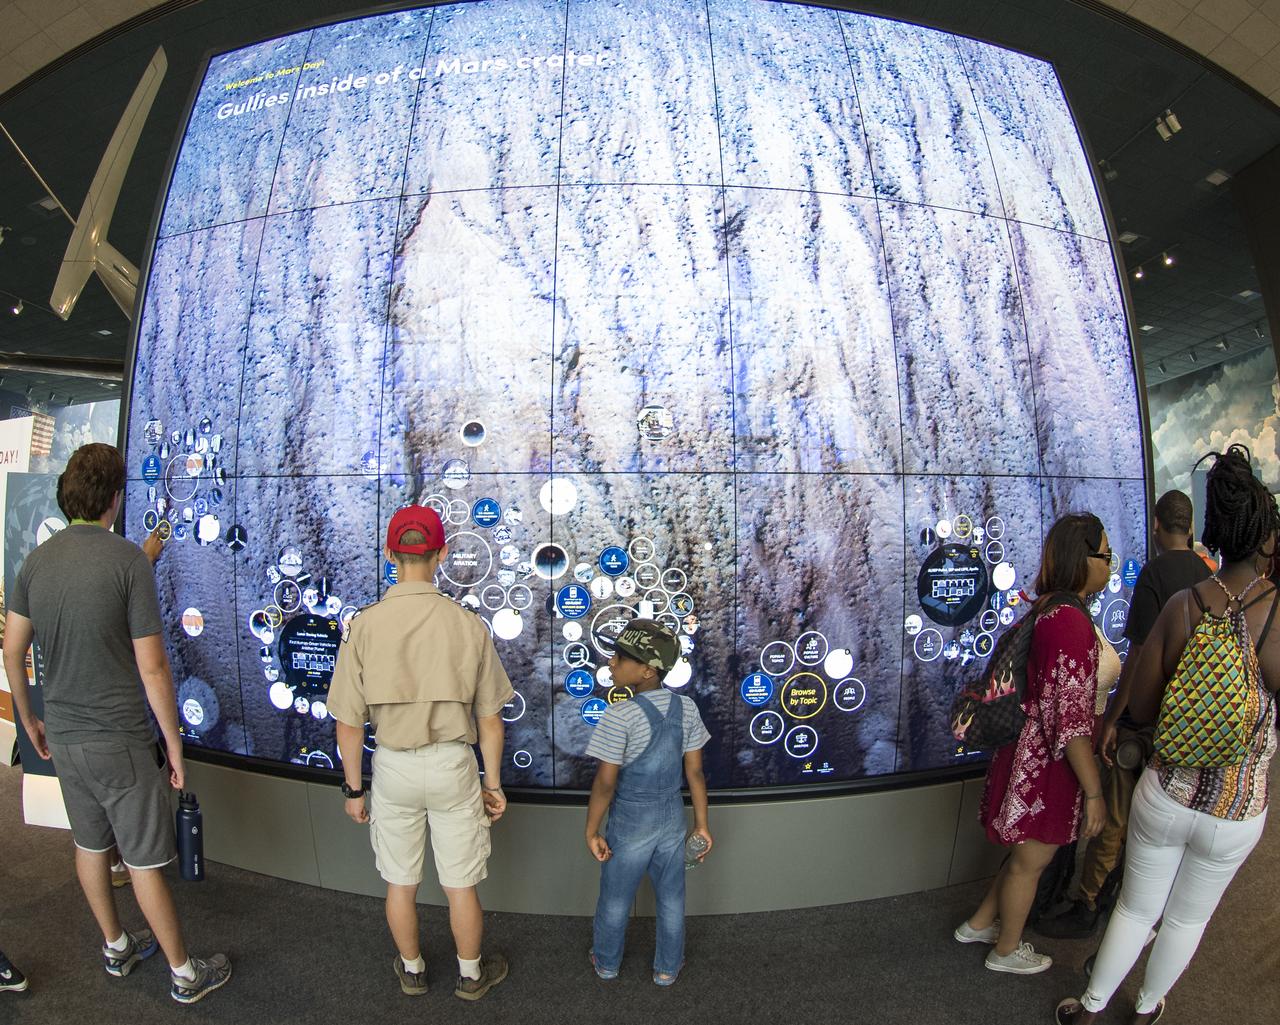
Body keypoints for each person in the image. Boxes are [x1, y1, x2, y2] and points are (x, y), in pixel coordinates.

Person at [1055, 446, 1279, 1025]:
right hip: (1237, 807)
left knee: (1136, 907)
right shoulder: (1277, 615)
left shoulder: (1184, 605)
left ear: (1216, 534)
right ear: (1266, 540)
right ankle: (1146, 1007)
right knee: (1186, 918)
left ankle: (1089, 1008)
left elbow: (1145, 703)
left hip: (1168, 792)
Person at [2, 444, 230, 1004]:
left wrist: (28, 720)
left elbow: (13, 648)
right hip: (122, 742)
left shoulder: (38, 562)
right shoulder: (125, 562)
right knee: (146, 862)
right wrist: (174, 744)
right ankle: (185, 974)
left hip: (65, 738)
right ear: (115, 498)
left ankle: (117, 946)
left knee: (90, 846)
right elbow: (152, 668)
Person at [327, 505, 513, 1001]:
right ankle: (471, 975)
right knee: (461, 885)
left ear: (391, 554)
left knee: (400, 882)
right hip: (453, 766)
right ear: (442, 554)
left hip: (393, 768)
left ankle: (412, 971)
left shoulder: (364, 626)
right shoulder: (468, 625)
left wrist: (353, 789)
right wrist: (492, 784)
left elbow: (348, 723)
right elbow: (490, 719)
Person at [1039, 491, 1210, 940]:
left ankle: (1089, 901)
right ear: (1189, 525)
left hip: (1143, 720)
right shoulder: (1208, 576)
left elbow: (1138, 655)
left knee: (1113, 817)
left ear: (1156, 526)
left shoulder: (1155, 573)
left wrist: (1114, 718)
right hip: (1184, 722)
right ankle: (1135, 902)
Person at [955, 513, 1113, 974]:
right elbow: (1070, 723)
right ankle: (1006, 950)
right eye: (1105, 556)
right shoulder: (1069, 623)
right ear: (1082, 559)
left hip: (1028, 755)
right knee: (1031, 862)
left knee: (1023, 854)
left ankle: (979, 923)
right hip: (1046, 766)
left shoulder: (1051, 609)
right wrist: (1094, 791)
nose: (1109, 565)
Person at [585, 620, 712, 986]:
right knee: (671, 897)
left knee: (615, 898)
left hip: (630, 821)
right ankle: (667, 968)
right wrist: (702, 826)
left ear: (647, 670)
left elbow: (605, 783)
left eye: (621, 657)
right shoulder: (686, 708)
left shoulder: (619, 715)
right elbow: (695, 773)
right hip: (672, 817)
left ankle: (606, 963)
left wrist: (592, 830)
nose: (611, 662)